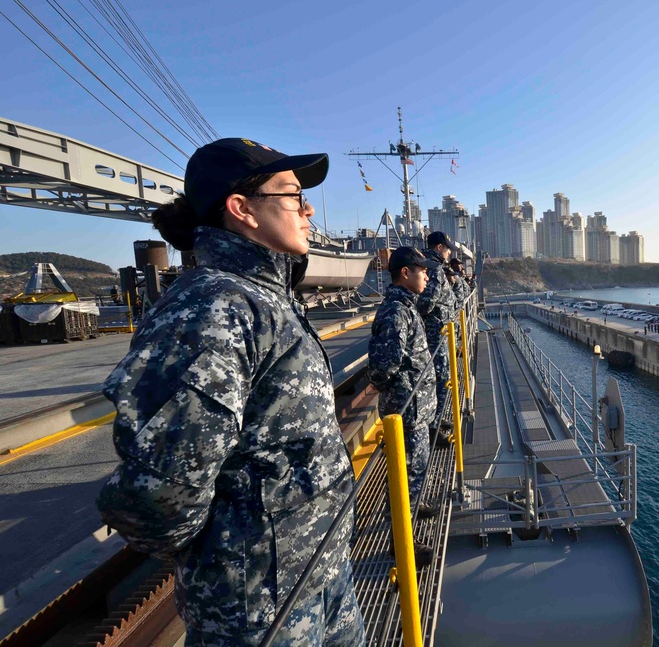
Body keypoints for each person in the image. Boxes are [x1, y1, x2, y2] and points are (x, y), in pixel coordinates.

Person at [96, 138, 364, 645]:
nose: (307, 209)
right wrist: (232, 554)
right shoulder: (214, 307)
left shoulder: (267, 298)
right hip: (257, 607)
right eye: (291, 195)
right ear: (242, 210)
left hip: (319, 575)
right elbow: (159, 495)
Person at [368, 247, 438, 567]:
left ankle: (410, 511)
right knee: (405, 476)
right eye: (420, 269)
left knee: (413, 474)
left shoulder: (407, 306)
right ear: (405, 273)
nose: (426, 274)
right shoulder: (397, 310)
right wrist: (397, 392)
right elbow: (383, 365)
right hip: (406, 414)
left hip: (415, 411)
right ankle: (402, 546)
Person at [419, 231, 458, 433]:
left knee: (441, 377)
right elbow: (427, 302)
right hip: (436, 333)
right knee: (440, 378)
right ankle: (434, 427)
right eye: (447, 248)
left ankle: (437, 418)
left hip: (440, 331)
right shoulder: (433, 268)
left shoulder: (433, 266)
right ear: (439, 247)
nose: (449, 252)